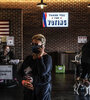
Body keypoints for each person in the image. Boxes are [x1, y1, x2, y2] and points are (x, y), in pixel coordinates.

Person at [19, 34, 52, 100]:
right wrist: (23, 81)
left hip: (41, 91)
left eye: (36, 44)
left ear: (42, 46)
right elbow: (20, 73)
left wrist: (40, 57)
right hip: (28, 91)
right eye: (33, 44)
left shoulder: (47, 58)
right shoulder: (28, 58)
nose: (34, 46)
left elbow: (42, 73)